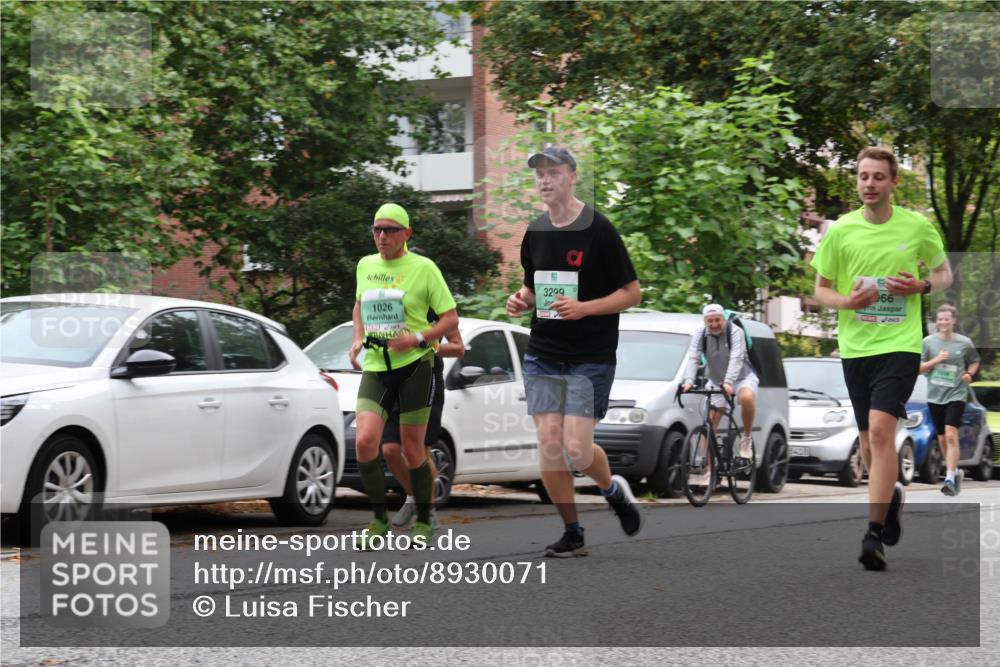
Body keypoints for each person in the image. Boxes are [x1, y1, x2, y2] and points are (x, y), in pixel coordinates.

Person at [811, 146, 952, 571]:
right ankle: (890, 496)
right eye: (862, 176)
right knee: (870, 445)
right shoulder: (841, 231)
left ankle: (873, 534)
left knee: (879, 429)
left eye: (877, 177)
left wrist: (923, 287)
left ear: (892, 182)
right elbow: (821, 290)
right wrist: (848, 301)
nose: (869, 184)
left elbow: (945, 273)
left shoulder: (917, 225)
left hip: (901, 346)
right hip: (856, 348)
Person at [506, 145, 643, 558]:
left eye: (552, 172)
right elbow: (535, 286)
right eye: (539, 174)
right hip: (544, 350)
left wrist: (584, 309)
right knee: (549, 443)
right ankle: (573, 531)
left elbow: (631, 293)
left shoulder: (599, 229)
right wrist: (521, 299)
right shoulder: (535, 232)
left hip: (590, 354)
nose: (544, 180)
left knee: (578, 449)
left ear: (572, 177)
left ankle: (612, 489)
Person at [349, 203, 458, 548]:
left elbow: (450, 319)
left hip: (415, 366)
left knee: (413, 449)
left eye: (390, 230)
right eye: (377, 229)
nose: (382, 236)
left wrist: (417, 337)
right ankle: (379, 519)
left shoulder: (424, 268)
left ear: (406, 234)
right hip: (377, 365)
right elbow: (359, 304)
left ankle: (425, 520)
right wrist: (356, 339)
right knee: (366, 441)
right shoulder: (365, 265)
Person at [384, 310, 464, 528]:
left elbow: (458, 348)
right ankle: (413, 498)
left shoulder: (437, 307)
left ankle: (426, 514)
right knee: (390, 449)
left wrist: (424, 344)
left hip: (427, 378)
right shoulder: (393, 302)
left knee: (420, 450)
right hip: (394, 378)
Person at [681, 304, 758, 461]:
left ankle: (747, 438)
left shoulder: (736, 332)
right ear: (704, 321)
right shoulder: (700, 334)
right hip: (717, 380)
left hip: (742, 377)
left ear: (723, 318)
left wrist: (729, 382)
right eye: (710, 321)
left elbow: (737, 357)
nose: (714, 324)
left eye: (717, 320)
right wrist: (689, 381)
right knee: (709, 425)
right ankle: (711, 471)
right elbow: (694, 357)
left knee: (746, 398)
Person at [920, 303, 980, 496]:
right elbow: (919, 368)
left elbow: (974, 361)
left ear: (953, 321)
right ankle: (956, 472)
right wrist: (937, 360)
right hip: (935, 396)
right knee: (943, 438)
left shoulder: (964, 342)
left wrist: (969, 374)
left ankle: (950, 477)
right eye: (940, 319)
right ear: (936, 322)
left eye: (947, 319)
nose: (943, 322)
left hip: (957, 394)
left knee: (951, 434)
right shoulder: (928, 342)